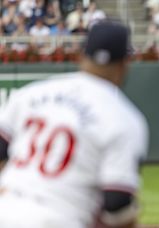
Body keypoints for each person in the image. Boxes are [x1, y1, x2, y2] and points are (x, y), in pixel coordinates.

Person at [0, 20, 148, 228]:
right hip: (59, 219)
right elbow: (116, 203)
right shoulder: (125, 118)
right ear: (125, 63)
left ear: (82, 55)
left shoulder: (31, 93)